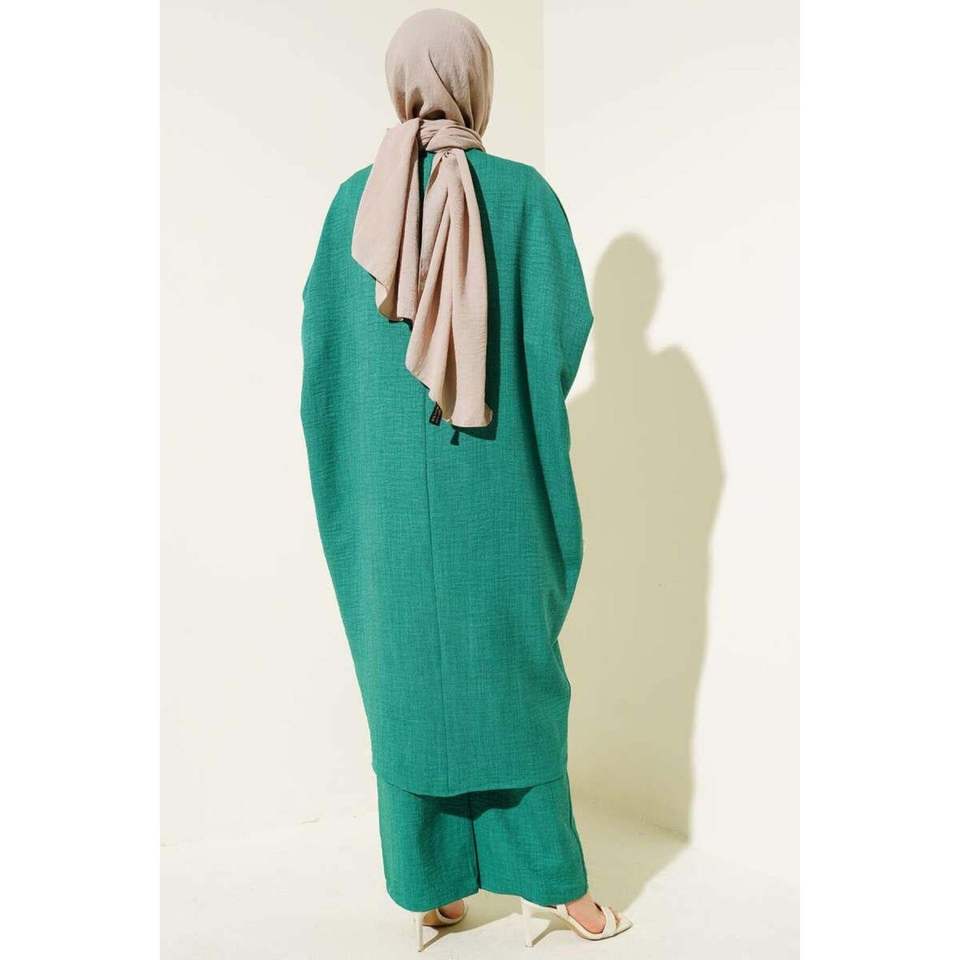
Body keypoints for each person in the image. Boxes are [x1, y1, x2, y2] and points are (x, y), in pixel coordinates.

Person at [300, 9, 632, 951]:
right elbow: (561, 339)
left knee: (407, 669)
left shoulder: (353, 205)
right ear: (478, 81)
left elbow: (323, 359)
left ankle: (433, 886)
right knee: (514, 670)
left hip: (388, 500)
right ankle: (556, 884)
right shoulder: (523, 197)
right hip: (499, 481)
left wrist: (370, 459)